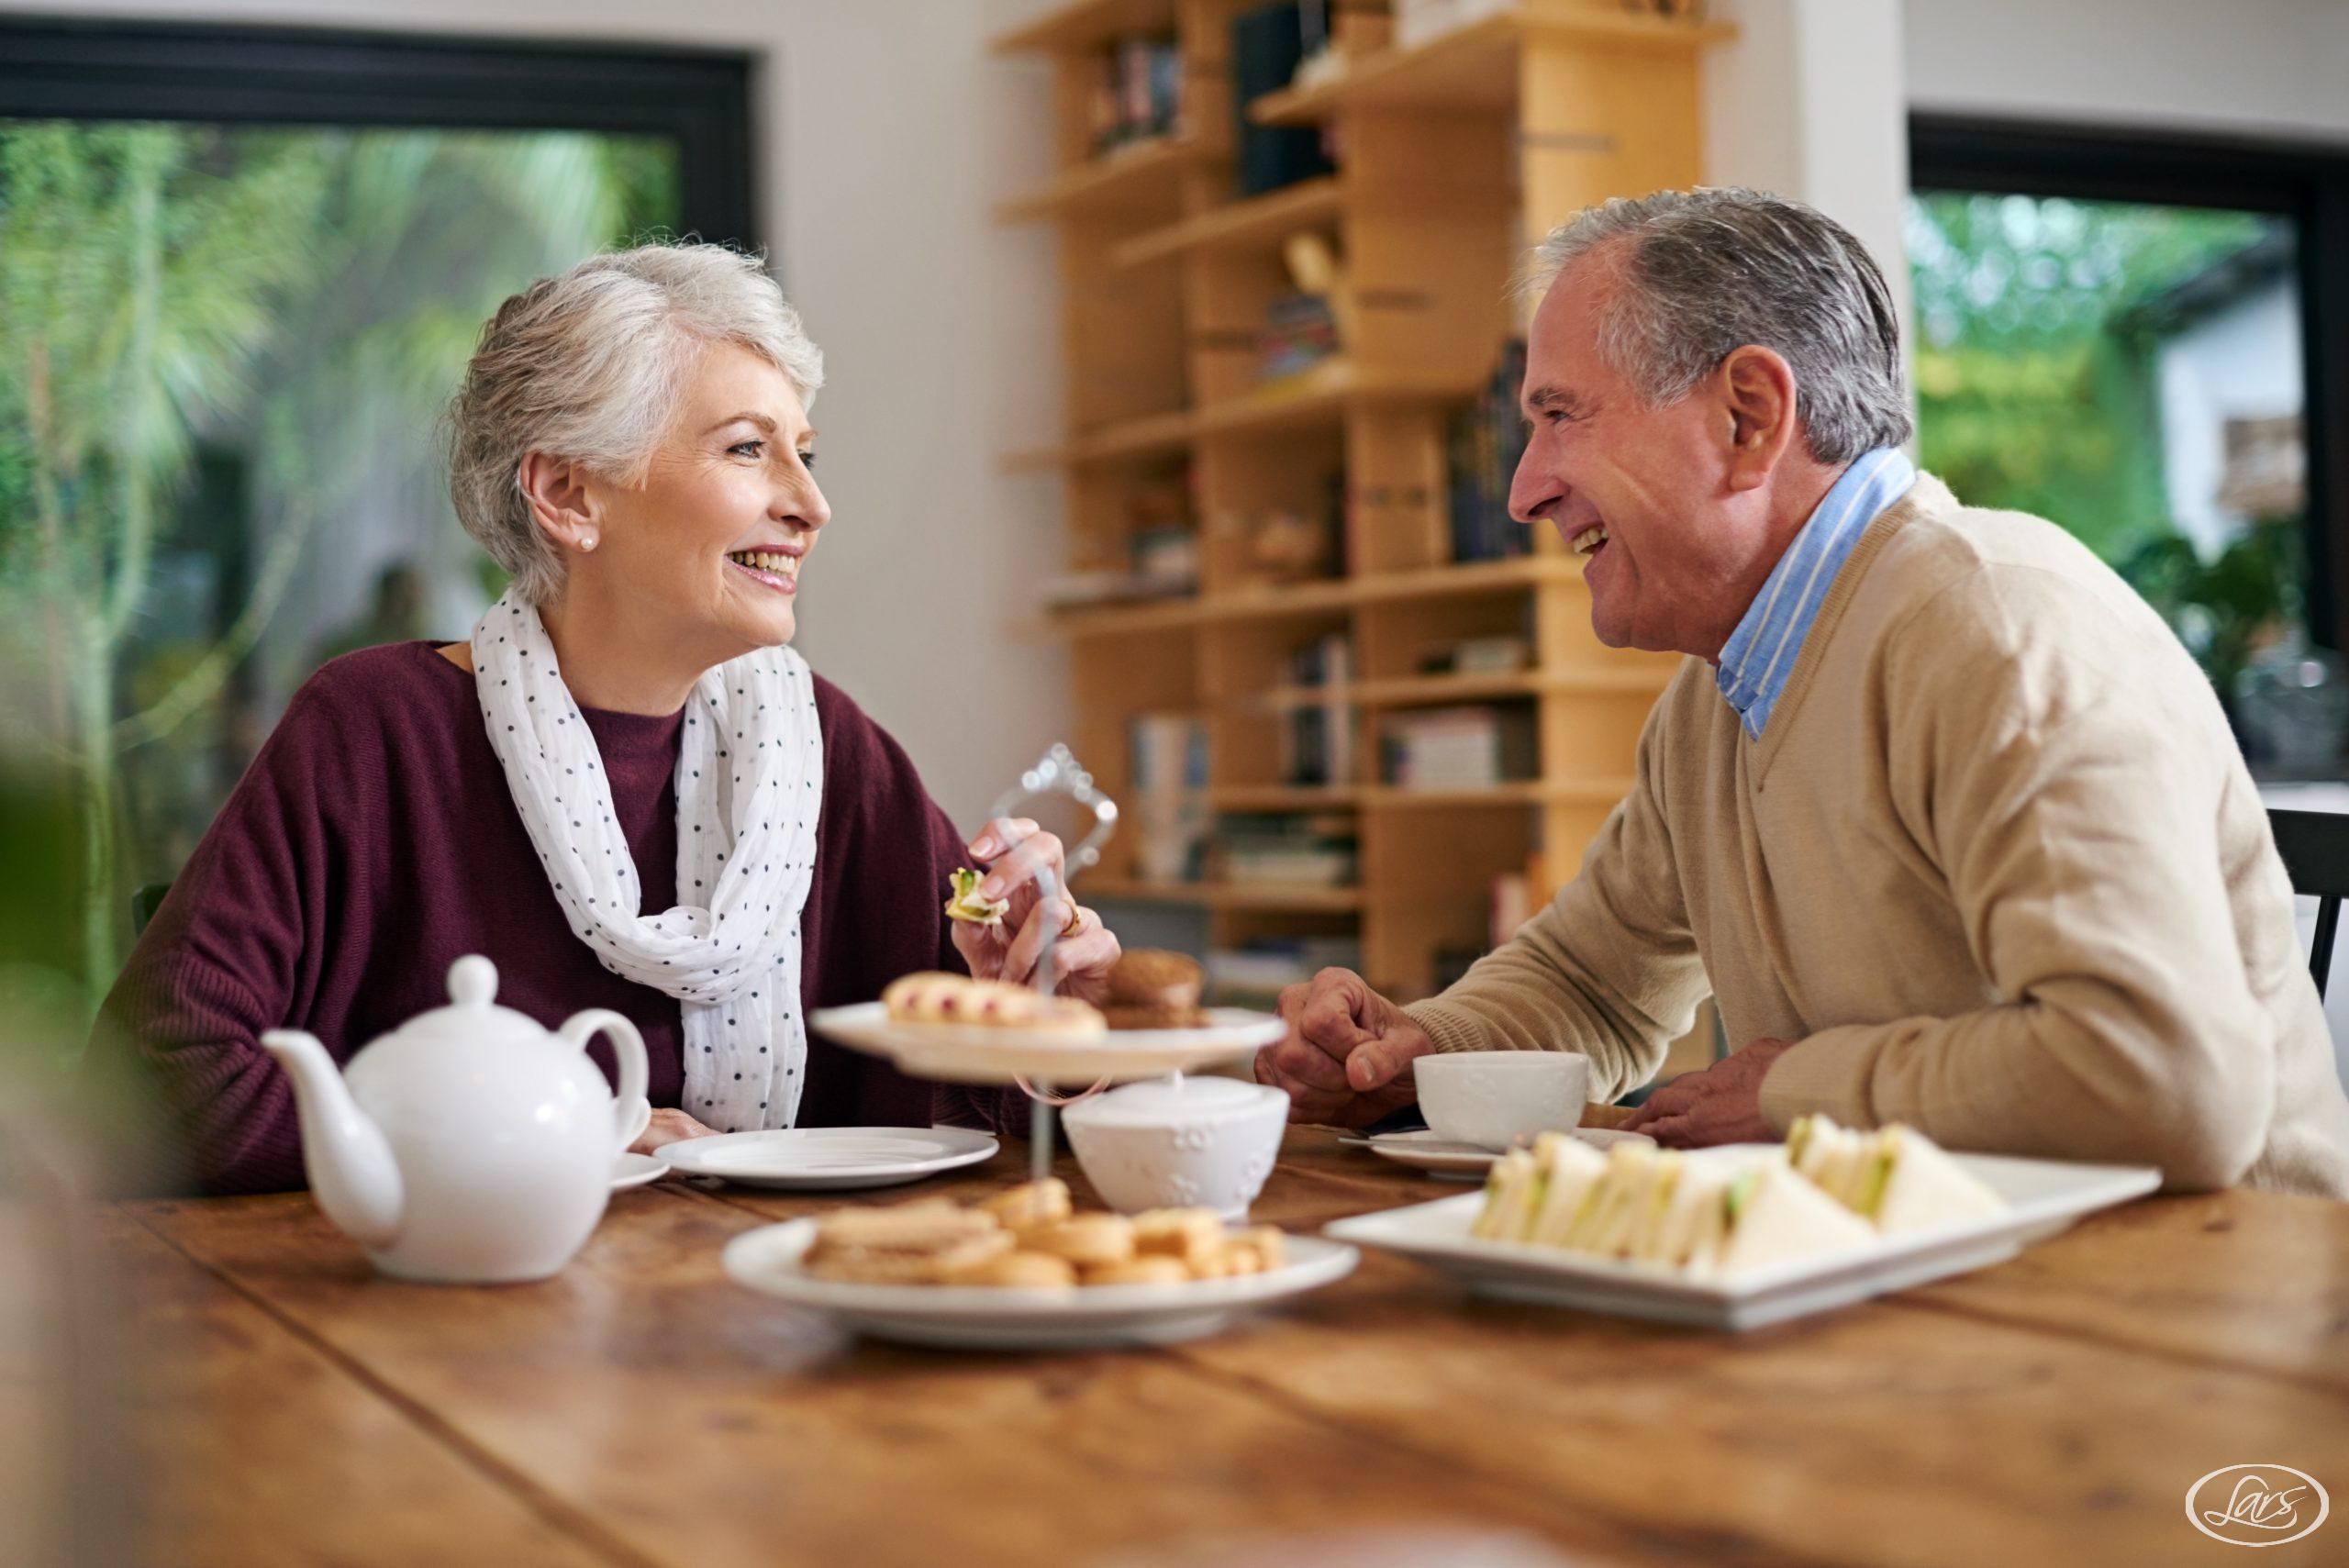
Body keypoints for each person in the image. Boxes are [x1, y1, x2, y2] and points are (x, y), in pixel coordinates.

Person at [1255, 188, 2349, 1196]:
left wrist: (1794, 1092)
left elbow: (2164, 1078)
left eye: (1560, 416)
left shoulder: (1999, 627)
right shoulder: (1719, 689)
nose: (1525, 486)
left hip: (2213, 1331)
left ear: (1747, 416)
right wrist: (1411, 1054)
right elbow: (1591, 982)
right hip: (1948, 1299)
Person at [98, 242, 1119, 1192]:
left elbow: (1002, 1129)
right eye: (747, 449)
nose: (811, 502)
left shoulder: (828, 751)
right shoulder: (375, 732)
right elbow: (150, 1093)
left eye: (804, 452)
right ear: (567, 493)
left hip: (768, 1335)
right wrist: (560, 1128)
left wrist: (1036, 1017)